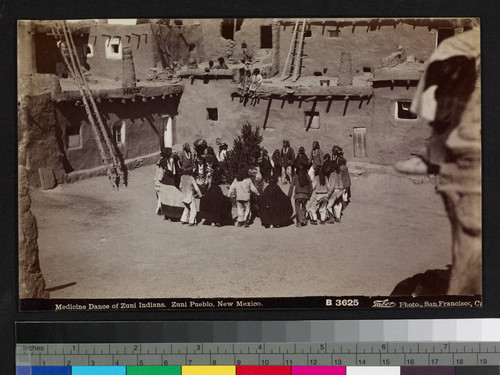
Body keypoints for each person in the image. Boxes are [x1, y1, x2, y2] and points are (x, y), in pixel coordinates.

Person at [154, 148, 184, 221]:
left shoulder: (171, 160)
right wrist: (158, 183)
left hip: (169, 181)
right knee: (166, 199)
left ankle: (170, 214)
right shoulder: (161, 162)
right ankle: (167, 214)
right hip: (163, 182)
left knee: (170, 198)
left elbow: (173, 172)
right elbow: (159, 174)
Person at [288, 163, 312, 227]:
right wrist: (309, 195)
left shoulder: (295, 176)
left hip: (298, 195)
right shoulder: (307, 176)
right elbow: (311, 187)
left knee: (297, 208)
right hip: (306, 196)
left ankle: (299, 222)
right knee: (303, 207)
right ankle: (303, 220)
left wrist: (289, 196)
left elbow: (291, 186)